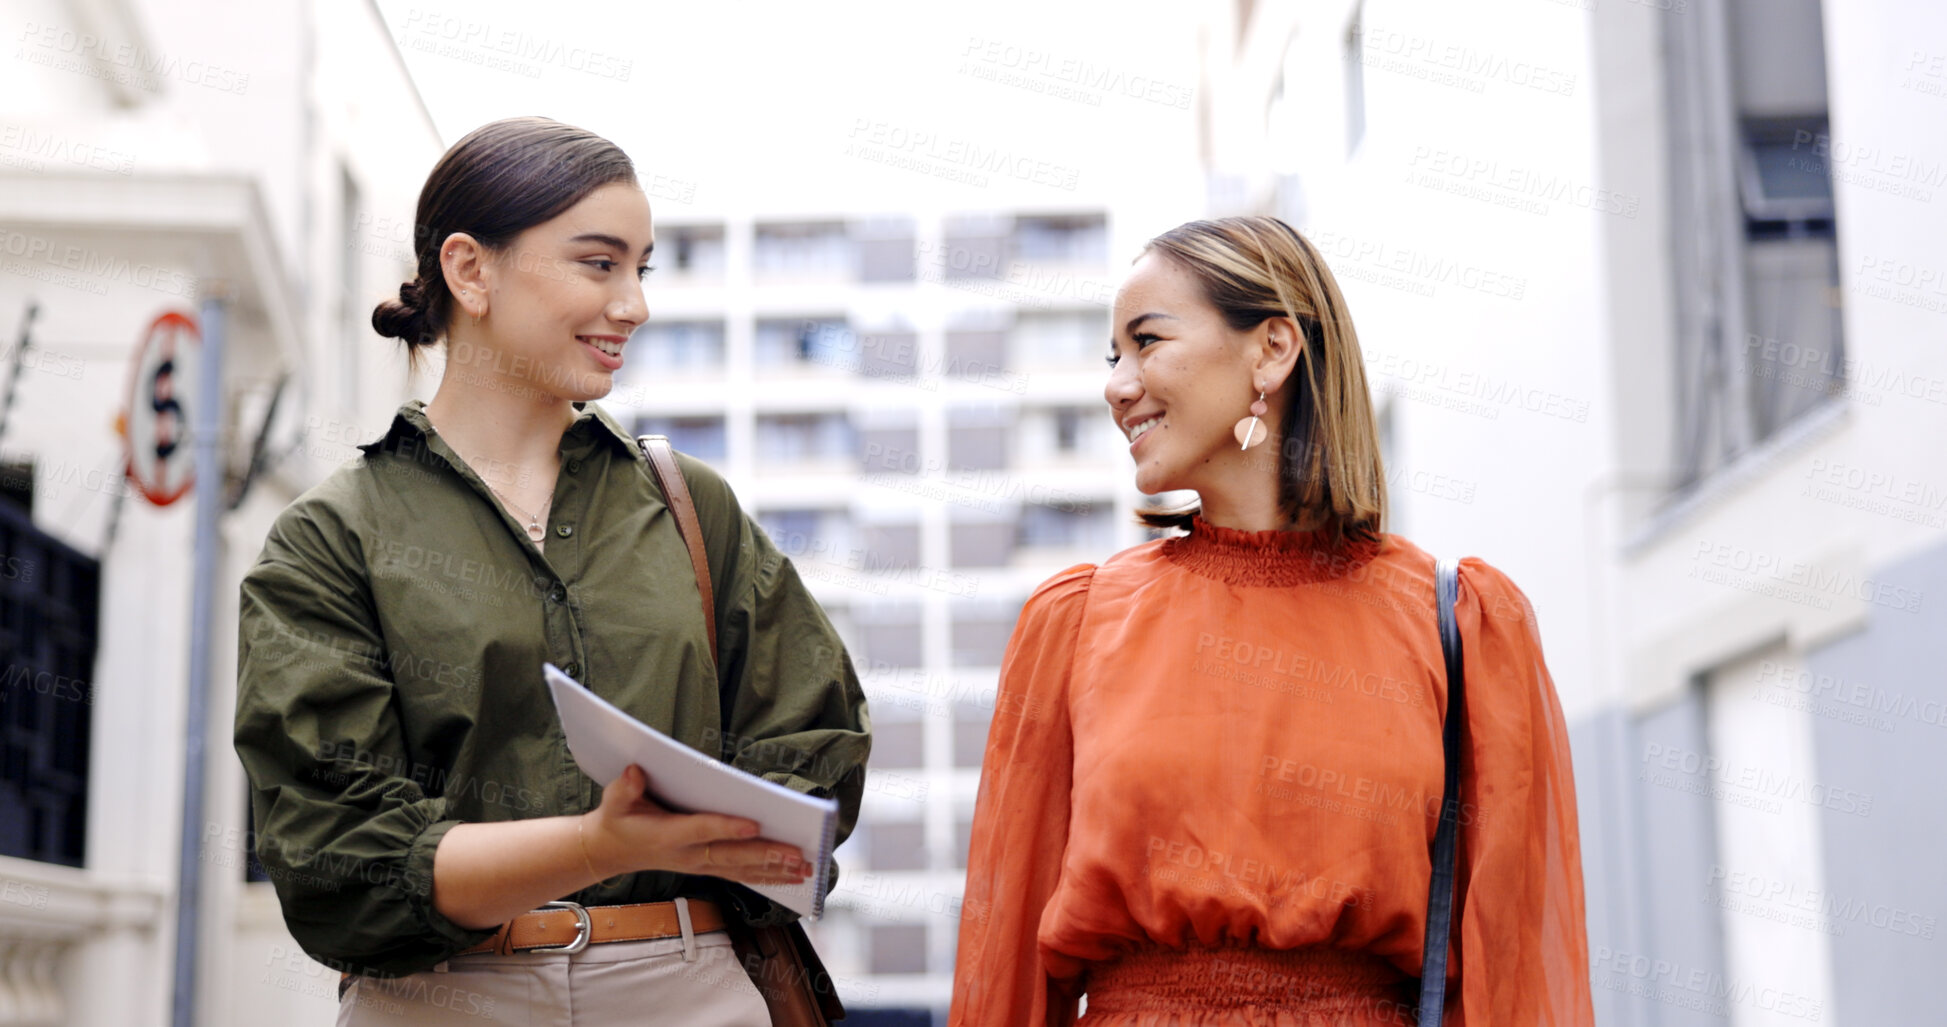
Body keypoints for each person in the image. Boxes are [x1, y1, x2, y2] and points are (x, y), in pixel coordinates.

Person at [234, 116, 870, 1025]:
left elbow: (811, 743)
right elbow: (333, 850)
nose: (635, 306)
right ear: (470, 270)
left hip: (688, 988)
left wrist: (745, 823)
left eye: (640, 269)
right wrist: (592, 842)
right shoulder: (334, 537)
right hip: (440, 1000)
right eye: (598, 263)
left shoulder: (690, 506)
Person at [950, 216, 1593, 1026]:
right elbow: (1002, 970)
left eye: (1146, 342)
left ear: (1273, 349)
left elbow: (1513, 974)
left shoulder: (1459, 622)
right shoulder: (1075, 623)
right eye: (1113, 356)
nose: (1116, 386)